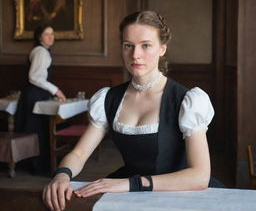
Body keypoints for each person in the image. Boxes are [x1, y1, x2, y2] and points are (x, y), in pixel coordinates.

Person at [43, 11, 223, 211]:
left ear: (162, 49)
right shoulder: (108, 99)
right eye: (128, 46)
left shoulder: (186, 101)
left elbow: (199, 176)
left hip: (180, 193)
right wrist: (62, 175)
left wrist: (132, 183)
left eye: (146, 45)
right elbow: (79, 153)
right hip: (131, 192)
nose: (135, 55)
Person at [15, 25, 66, 175]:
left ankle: (37, 166)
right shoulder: (40, 52)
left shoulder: (42, 51)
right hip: (34, 96)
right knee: (35, 130)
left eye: (52, 34)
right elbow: (35, 77)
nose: (51, 37)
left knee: (36, 129)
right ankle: (39, 167)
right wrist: (56, 90)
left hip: (35, 95)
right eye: (47, 34)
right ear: (39, 37)